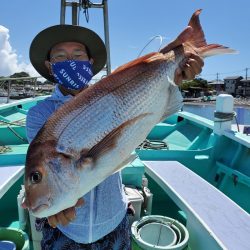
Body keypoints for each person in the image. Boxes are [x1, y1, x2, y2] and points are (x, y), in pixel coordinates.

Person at [26, 24, 204, 249]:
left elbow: (145, 105)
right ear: (50, 67)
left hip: (114, 222)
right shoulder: (38, 114)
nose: (70, 61)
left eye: (78, 55)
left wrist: (173, 71)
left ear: (90, 63)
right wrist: (55, 205)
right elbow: (44, 162)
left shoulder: (112, 90)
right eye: (60, 57)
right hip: (67, 230)